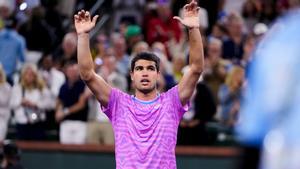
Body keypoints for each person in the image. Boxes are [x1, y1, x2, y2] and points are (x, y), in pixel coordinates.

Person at [74, 0, 203, 168]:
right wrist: (83, 36)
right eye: (139, 68)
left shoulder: (171, 102)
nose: (144, 72)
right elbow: (87, 74)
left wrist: (193, 29)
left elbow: (195, 68)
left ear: (158, 75)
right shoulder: (118, 103)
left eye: (150, 68)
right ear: (132, 76)